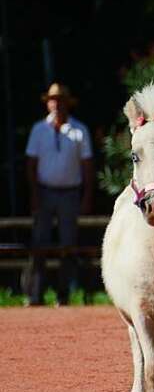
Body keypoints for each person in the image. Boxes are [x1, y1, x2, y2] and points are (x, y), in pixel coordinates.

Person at [24, 82, 94, 306]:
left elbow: (88, 166)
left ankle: (63, 294)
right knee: (39, 244)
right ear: (48, 103)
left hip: (70, 193)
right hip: (44, 192)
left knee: (68, 246)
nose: (57, 104)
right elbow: (31, 165)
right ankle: (34, 295)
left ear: (67, 104)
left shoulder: (79, 130)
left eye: (61, 100)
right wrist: (34, 194)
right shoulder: (38, 129)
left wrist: (86, 196)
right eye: (53, 100)